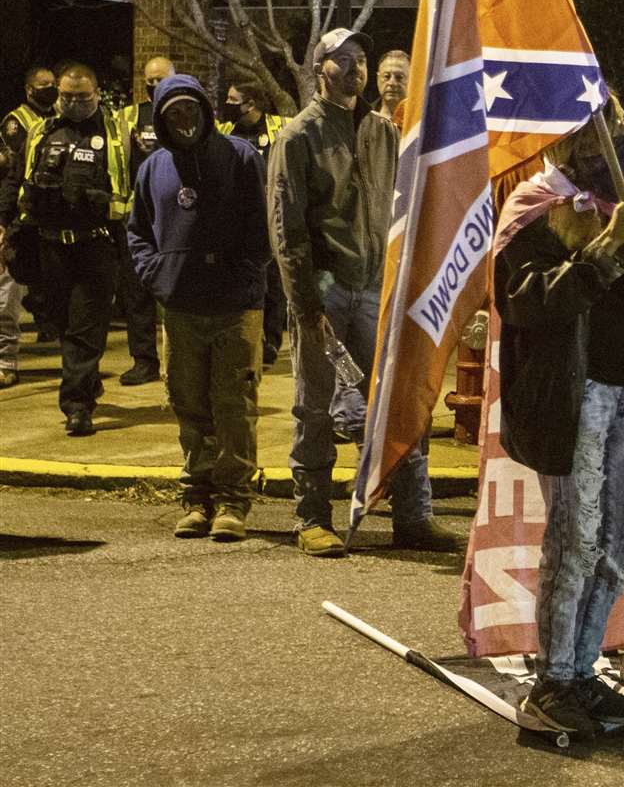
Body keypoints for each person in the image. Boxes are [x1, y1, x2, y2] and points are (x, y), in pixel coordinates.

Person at [495, 97, 624, 738]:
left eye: (621, 129)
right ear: (563, 144)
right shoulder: (534, 206)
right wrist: (608, 245)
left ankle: (582, 671)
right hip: (575, 398)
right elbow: (529, 303)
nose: (616, 143)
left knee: (621, 544)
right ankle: (553, 684)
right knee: (574, 542)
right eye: (597, 133)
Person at [267, 28, 460, 558]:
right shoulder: (299, 137)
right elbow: (287, 229)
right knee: (316, 407)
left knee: (397, 401)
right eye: (343, 59)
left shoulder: (383, 132)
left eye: (360, 59)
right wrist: (305, 303)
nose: (354, 68)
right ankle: (312, 518)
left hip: (378, 289)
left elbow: (405, 209)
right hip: (325, 295)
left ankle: (412, 516)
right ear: (320, 68)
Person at [129, 75, 270, 541]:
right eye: (174, 113)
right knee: (188, 405)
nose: (184, 120)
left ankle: (233, 501)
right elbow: (138, 231)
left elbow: (264, 225)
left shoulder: (241, 157)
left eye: (191, 109)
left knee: (233, 406)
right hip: (182, 308)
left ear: (206, 112)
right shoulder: (154, 168)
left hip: (235, 308)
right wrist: (157, 275)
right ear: (162, 120)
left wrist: (249, 275)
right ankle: (198, 497)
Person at [0, 62, 130, 435]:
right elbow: (16, 177)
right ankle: (86, 380)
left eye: (82, 97)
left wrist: (103, 204)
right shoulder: (42, 130)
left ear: (96, 93)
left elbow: (135, 187)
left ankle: (77, 406)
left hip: (96, 246)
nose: (74, 103)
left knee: (85, 327)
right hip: (50, 247)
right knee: (59, 320)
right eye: (67, 96)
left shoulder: (116, 133)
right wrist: (5, 220)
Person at [112, 55, 174, 387]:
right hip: (139, 220)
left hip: (178, 219)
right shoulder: (128, 118)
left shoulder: (186, 112)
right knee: (136, 293)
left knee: (179, 291)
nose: (154, 86)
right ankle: (144, 360)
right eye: (149, 81)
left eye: (161, 79)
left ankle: (182, 361)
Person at [219, 82, 291, 365]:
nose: (227, 103)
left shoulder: (278, 128)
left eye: (232, 99)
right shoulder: (226, 131)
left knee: (272, 283)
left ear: (250, 104)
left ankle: (271, 341)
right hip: (236, 221)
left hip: (271, 217)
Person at [3, 66, 62, 350]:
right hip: (23, 205)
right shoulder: (17, 120)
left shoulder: (59, 116)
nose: (50, 88)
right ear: (29, 89)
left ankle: (47, 317)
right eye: (43, 85)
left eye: (53, 83)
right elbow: (19, 163)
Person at [373, 50, 409, 120]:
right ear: (378, 78)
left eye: (399, 77)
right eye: (386, 76)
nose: (392, 83)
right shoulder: (362, 116)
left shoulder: (420, 121)